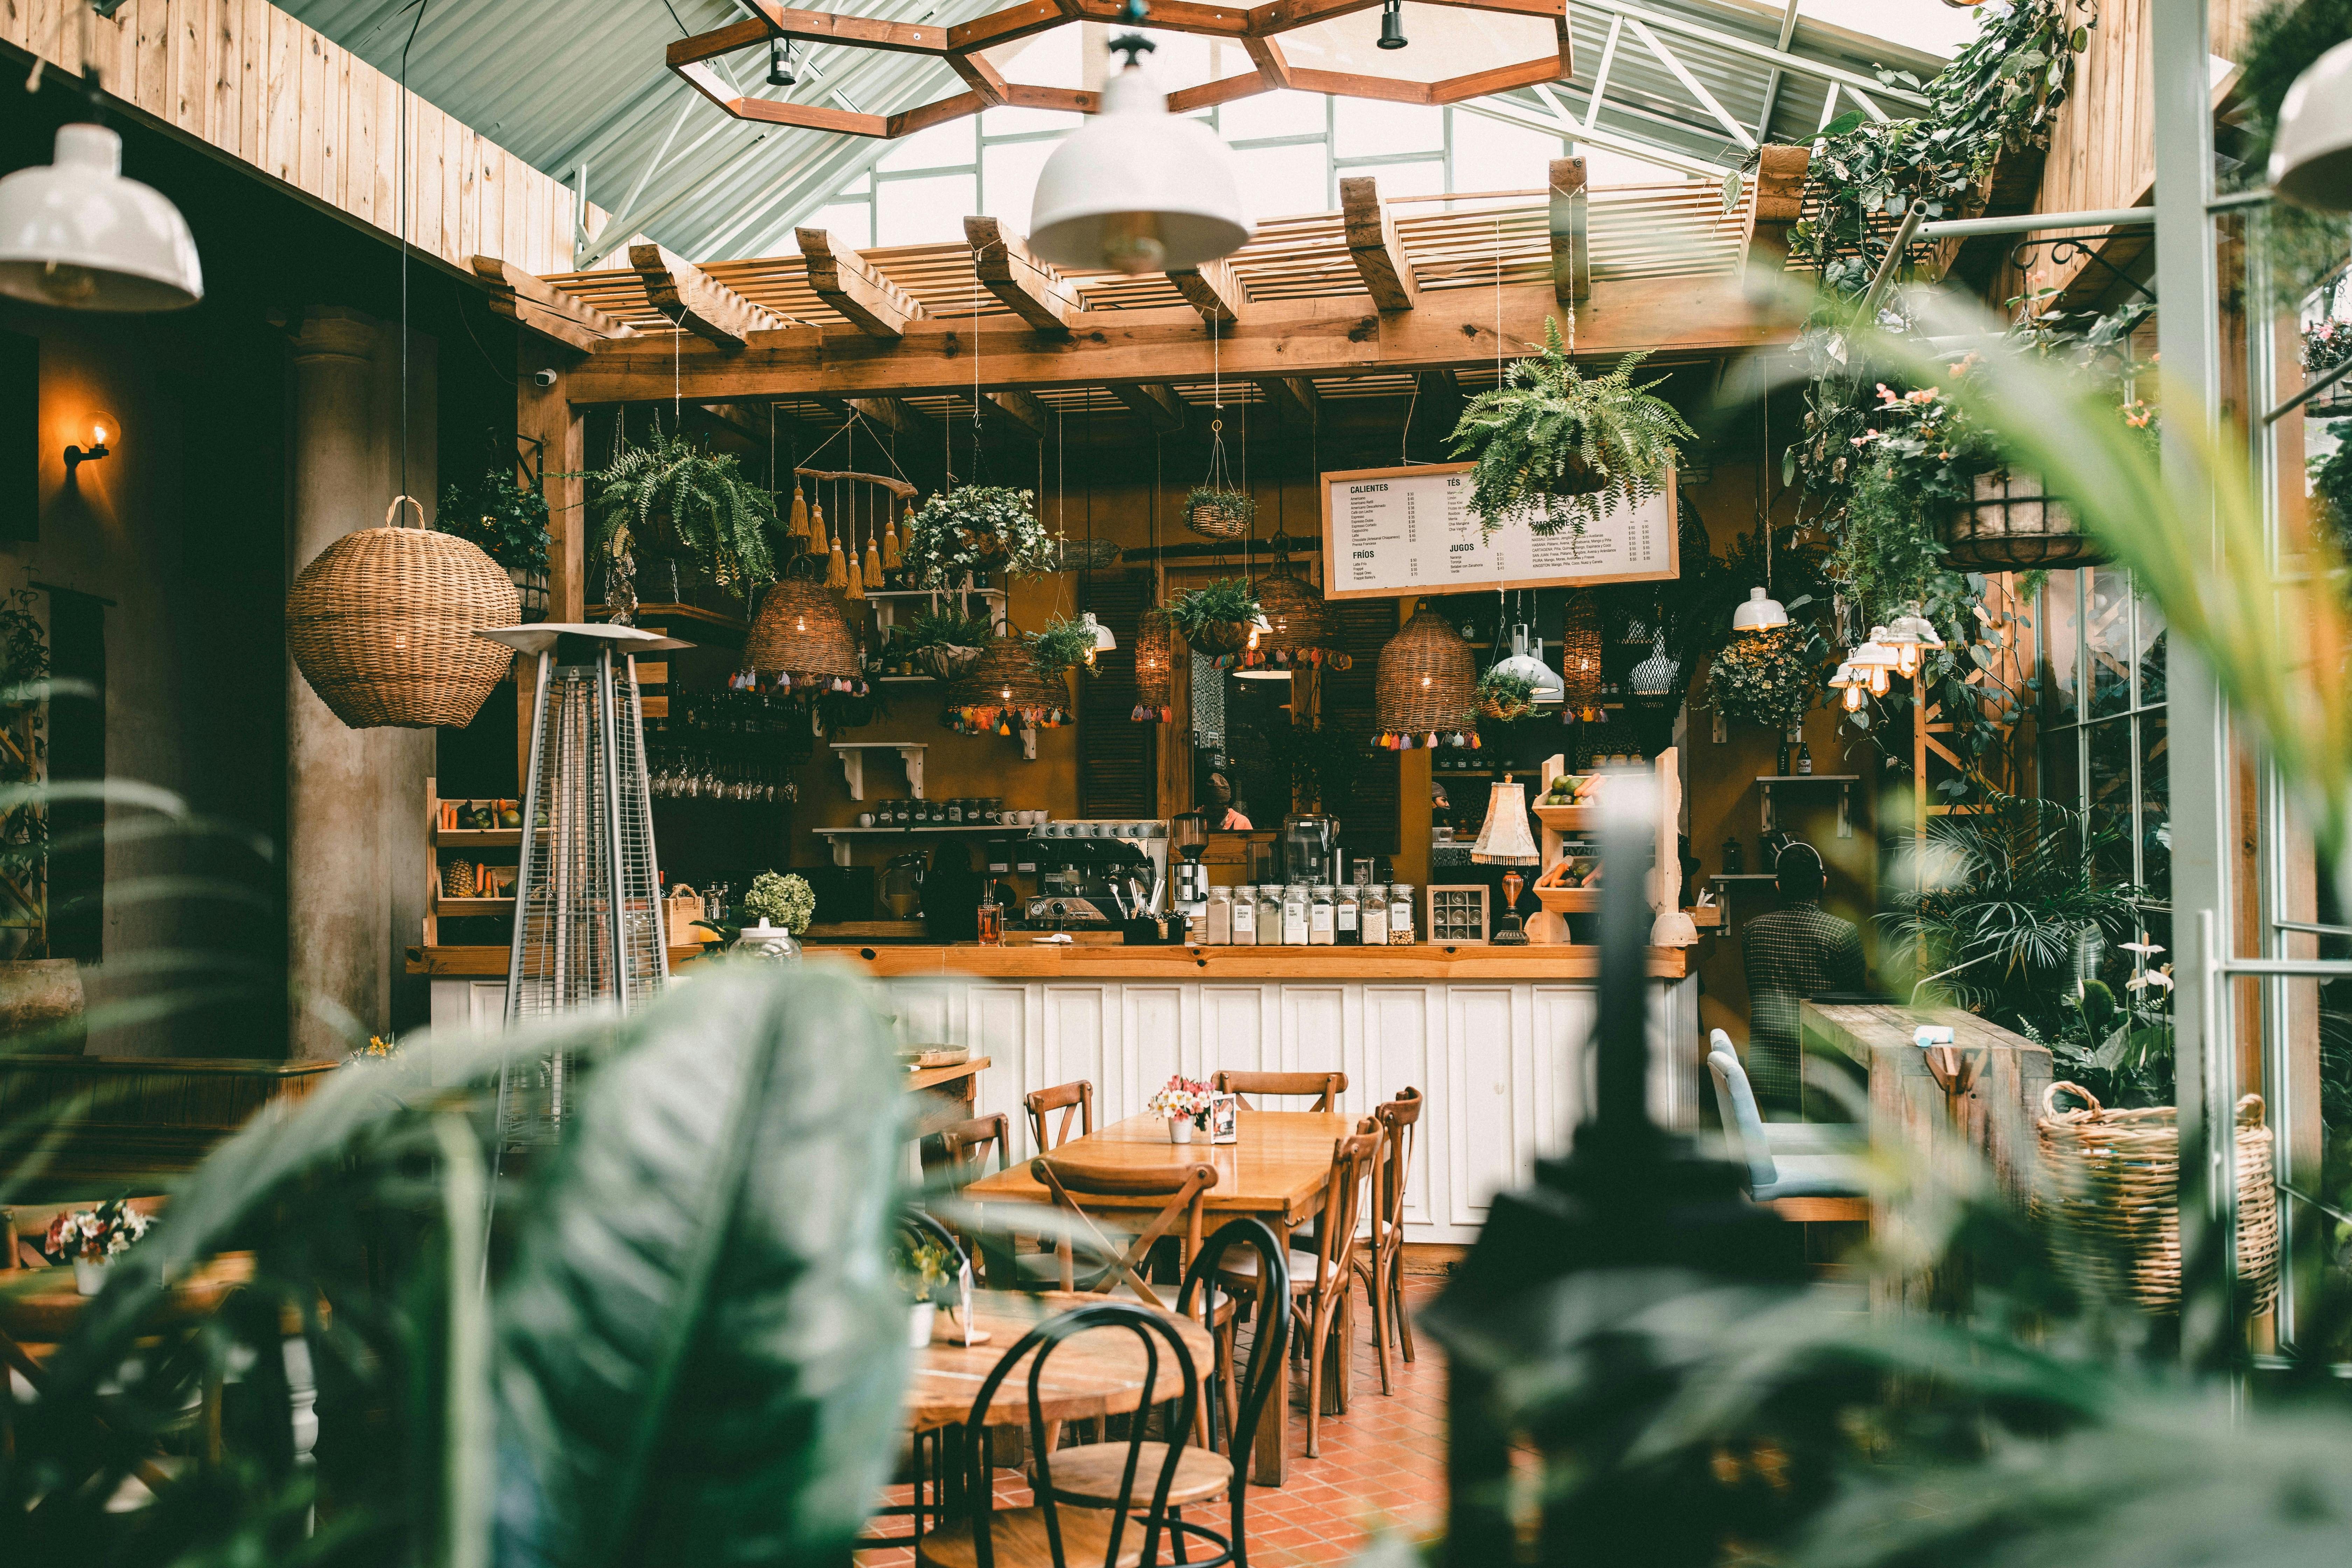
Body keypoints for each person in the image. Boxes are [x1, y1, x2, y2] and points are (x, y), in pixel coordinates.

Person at [1738, 841, 1865, 1112]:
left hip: (1768, 1065)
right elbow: (1857, 999)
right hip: (1826, 1071)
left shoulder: (1753, 931)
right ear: (1823, 883)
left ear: (1778, 886)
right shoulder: (1841, 932)